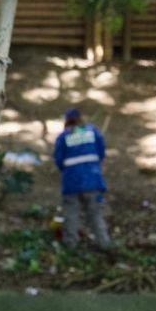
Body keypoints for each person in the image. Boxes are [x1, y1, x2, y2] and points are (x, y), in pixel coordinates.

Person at [52, 108, 113, 251]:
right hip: (93, 180)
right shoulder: (93, 132)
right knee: (95, 214)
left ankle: (70, 245)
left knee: (71, 215)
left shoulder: (63, 137)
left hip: (71, 183)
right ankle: (104, 244)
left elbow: (59, 160)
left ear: (66, 121)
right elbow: (101, 153)